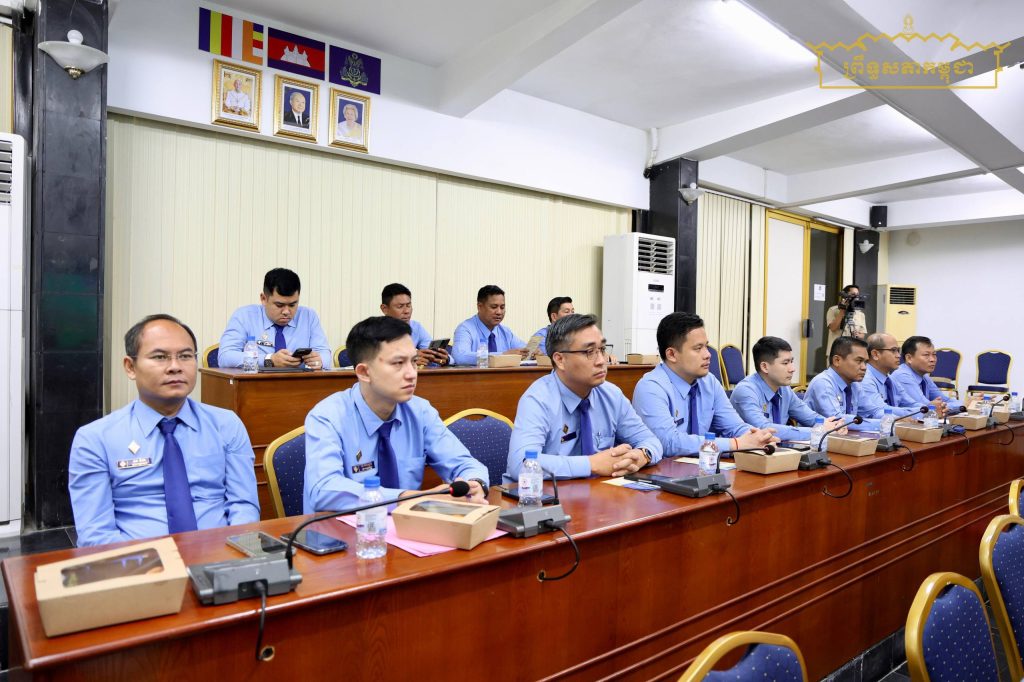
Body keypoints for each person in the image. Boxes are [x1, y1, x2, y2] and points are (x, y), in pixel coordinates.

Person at [69, 315, 260, 547]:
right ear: (130, 367)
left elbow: (244, 506)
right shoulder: (95, 439)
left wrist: (233, 557)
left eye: (185, 356)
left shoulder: (226, 425)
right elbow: (96, 535)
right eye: (160, 357)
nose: (175, 367)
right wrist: (151, 565)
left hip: (221, 557)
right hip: (139, 563)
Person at [304, 317, 489, 512]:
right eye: (398, 363)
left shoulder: (420, 411)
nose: (412, 374)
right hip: (342, 528)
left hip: (406, 526)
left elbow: (465, 463)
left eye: (414, 362)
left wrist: (475, 484)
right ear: (364, 372)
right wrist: (407, 498)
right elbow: (323, 490)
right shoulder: (327, 417)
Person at [506, 314, 661, 480]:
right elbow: (521, 463)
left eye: (602, 349)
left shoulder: (611, 394)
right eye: (589, 352)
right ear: (560, 360)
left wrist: (642, 455)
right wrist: (591, 464)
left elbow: (651, 440)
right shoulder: (538, 399)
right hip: (546, 494)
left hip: (599, 492)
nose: (601, 361)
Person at [632, 312, 776, 456]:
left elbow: (734, 426)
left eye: (706, 346)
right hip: (665, 468)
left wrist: (758, 438)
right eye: (698, 348)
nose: (708, 354)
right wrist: (736, 444)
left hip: (704, 465)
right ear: (672, 354)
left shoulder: (709, 382)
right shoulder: (651, 388)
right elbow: (669, 443)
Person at [730, 336, 845, 441]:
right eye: (785, 363)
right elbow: (764, 429)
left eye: (791, 361)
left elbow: (808, 416)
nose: (792, 369)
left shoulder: (783, 389)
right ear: (765, 367)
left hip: (777, 451)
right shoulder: (746, 391)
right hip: (744, 454)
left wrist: (832, 425)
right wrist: (818, 431)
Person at [219, 268, 331, 370]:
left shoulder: (308, 316)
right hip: (257, 383)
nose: (286, 311)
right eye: (279, 305)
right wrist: (269, 360)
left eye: (292, 305)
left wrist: (319, 361)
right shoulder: (244, 316)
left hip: (299, 383)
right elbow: (225, 357)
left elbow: (325, 355)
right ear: (263, 299)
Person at [804, 336, 879, 430]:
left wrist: (891, 421)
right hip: (816, 437)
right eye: (859, 361)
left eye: (865, 362)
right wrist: (882, 424)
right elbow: (838, 420)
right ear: (837, 361)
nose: (864, 367)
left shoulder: (855, 385)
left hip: (845, 436)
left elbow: (873, 412)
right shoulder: (823, 383)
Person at [451, 285, 527, 365]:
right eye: (494, 307)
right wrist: (501, 356)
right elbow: (460, 356)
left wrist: (532, 352)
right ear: (479, 307)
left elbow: (524, 350)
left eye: (502, 307)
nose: (499, 312)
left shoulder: (505, 332)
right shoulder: (465, 329)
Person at [859, 332, 927, 419]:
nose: (898, 356)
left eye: (898, 351)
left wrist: (927, 409)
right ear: (875, 354)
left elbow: (909, 402)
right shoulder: (865, 379)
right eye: (893, 350)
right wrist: (923, 412)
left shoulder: (890, 379)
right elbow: (882, 410)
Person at [380, 283, 449, 367]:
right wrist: (409, 359)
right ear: (384, 309)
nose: (406, 311)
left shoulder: (416, 327)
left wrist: (443, 358)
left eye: (408, 305)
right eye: (400, 306)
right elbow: (374, 361)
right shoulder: (374, 331)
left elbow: (430, 352)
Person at [891, 335, 963, 415]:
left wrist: (963, 405)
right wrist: (943, 407)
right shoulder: (902, 376)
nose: (932, 359)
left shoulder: (924, 376)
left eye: (934, 354)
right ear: (909, 358)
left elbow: (944, 400)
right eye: (926, 355)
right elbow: (925, 408)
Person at [826, 284, 867, 353]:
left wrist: (857, 335)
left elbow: (862, 334)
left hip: (852, 351)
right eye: (853, 294)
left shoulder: (860, 314)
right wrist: (842, 311)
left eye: (857, 295)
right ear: (845, 296)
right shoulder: (833, 310)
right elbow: (833, 328)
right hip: (836, 351)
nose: (856, 297)